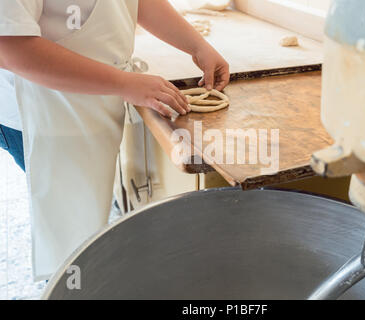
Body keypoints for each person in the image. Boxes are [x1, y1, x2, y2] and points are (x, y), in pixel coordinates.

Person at [0, 0, 230, 281]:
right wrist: (123, 83)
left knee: (85, 212)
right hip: (44, 110)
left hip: (93, 96)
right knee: (67, 226)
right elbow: (11, 48)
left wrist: (197, 46)